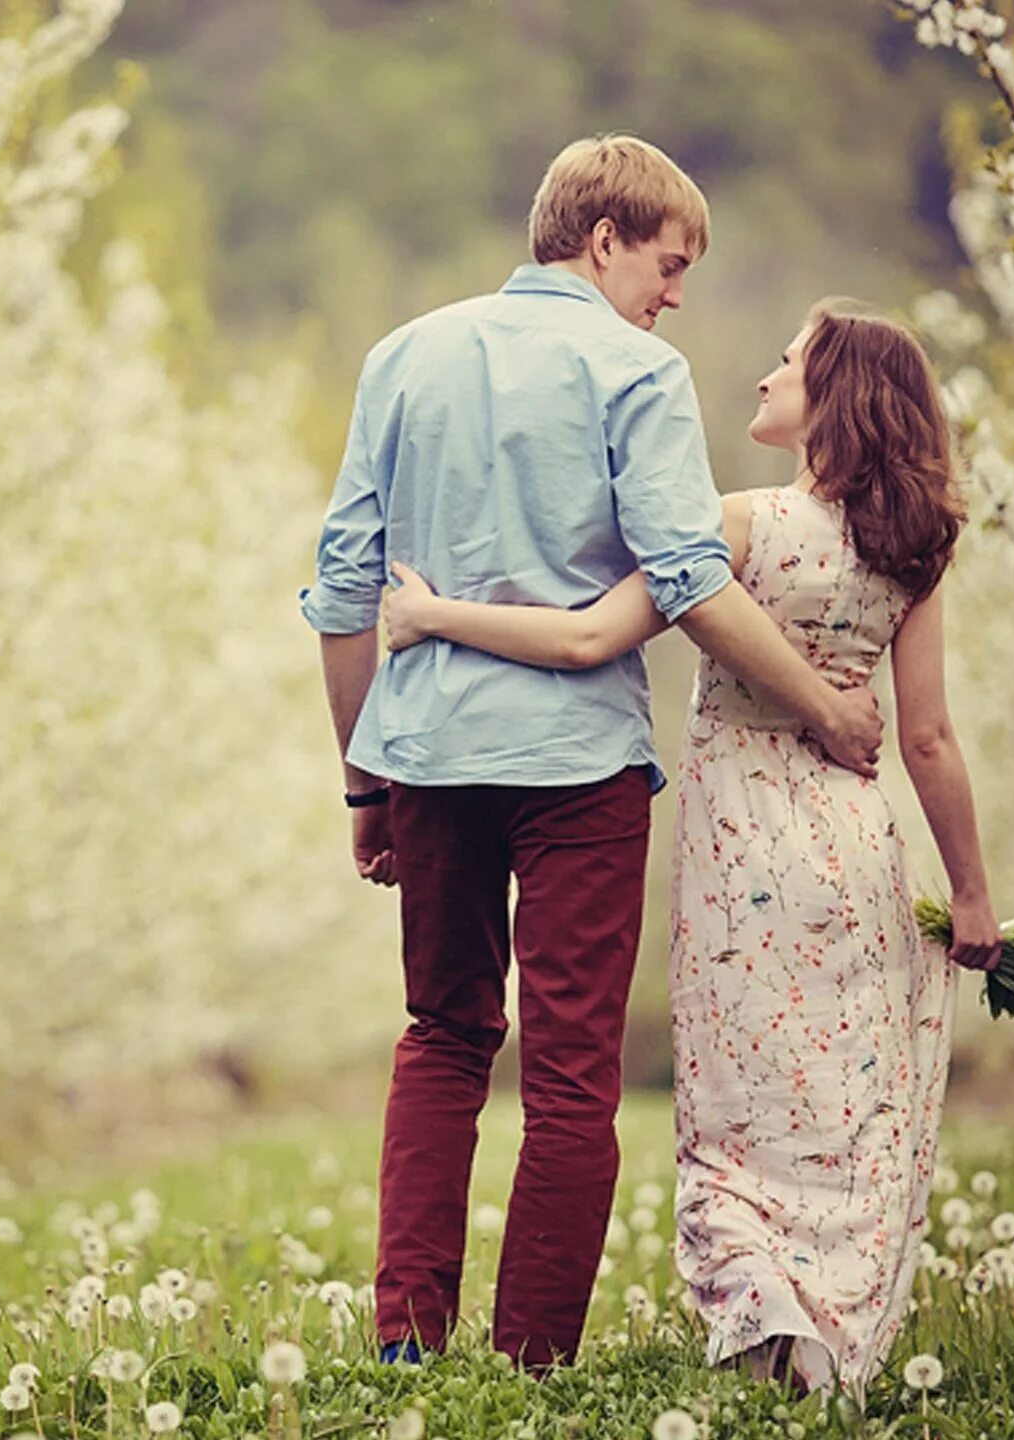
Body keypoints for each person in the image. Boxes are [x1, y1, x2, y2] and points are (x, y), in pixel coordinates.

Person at [299, 133, 885, 1373]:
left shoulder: (402, 357)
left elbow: (345, 592)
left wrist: (365, 779)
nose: (675, 297)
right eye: (668, 266)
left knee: (442, 1034)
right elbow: (688, 580)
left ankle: (405, 1345)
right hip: (576, 777)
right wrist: (826, 708)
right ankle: (528, 1366)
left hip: (430, 759)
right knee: (569, 1071)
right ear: (604, 239)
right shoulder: (638, 371)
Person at [379, 297, 1003, 1393]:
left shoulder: (739, 526)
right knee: (841, 1101)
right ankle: (832, 1327)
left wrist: (436, 618)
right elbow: (930, 738)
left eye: (787, 362)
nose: (765, 378)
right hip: (857, 847)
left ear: (835, 399)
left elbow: (583, 638)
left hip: (745, 857)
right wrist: (974, 896)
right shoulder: (914, 551)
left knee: (737, 1112)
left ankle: (767, 1317)